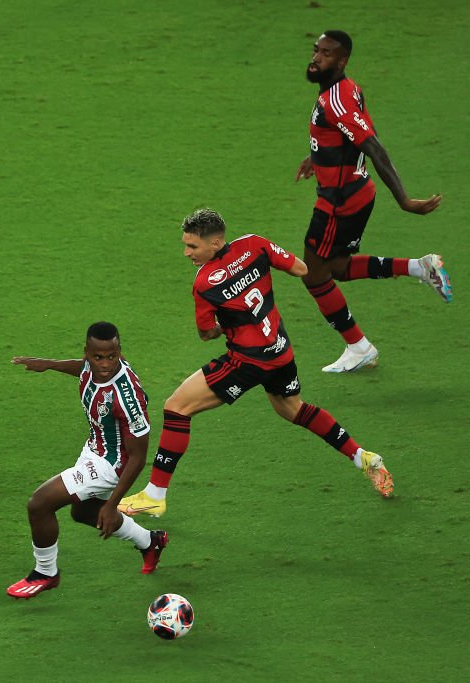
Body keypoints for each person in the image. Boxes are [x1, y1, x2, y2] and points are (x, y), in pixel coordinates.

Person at [119, 208, 392, 519]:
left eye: (192, 246)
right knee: (294, 409)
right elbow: (302, 269)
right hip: (280, 350)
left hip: (246, 362)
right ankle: (362, 457)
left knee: (176, 408)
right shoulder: (254, 244)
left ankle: (155, 496)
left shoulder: (205, 282)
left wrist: (227, 322)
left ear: (215, 242)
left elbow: (207, 333)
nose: (186, 253)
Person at [296, 29, 453, 373]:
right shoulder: (345, 91)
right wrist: (317, 157)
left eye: (325, 54)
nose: (316, 58)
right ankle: (420, 267)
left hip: (339, 202)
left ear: (342, 61)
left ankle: (358, 346)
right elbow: (347, 135)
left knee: (313, 275)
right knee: (336, 267)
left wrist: (405, 200)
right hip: (355, 192)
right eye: (315, 50)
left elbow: (374, 146)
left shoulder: (335, 100)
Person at [7, 322, 168, 599]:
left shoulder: (127, 399)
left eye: (112, 356)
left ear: (119, 352)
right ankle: (150, 541)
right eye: (97, 357)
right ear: (87, 353)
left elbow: (139, 458)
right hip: (93, 449)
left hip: (111, 465)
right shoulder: (90, 365)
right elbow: (82, 369)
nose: (105, 364)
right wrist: (49, 364)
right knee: (81, 512)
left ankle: (46, 573)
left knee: (39, 504)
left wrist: (113, 503)